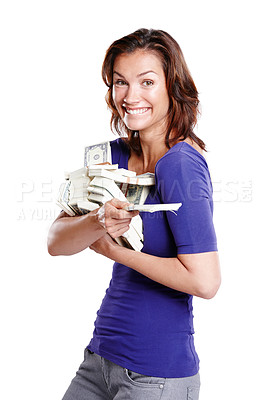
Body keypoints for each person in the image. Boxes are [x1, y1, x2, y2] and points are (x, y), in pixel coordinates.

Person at [48, 28, 221, 400]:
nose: (131, 96)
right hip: (100, 359)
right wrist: (96, 221)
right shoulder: (112, 156)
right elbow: (55, 241)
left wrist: (114, 251)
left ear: (171, 86)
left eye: (147, 82)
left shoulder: (179, 165)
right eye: (120, 83)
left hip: (155, 376)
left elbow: (205, 282)